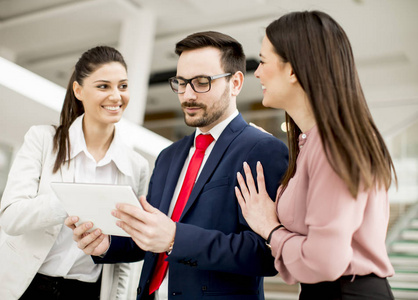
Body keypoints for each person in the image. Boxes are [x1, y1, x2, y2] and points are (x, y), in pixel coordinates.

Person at [67, 31, 289, 300]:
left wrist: (175, 238)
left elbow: (265, 255)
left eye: (201, 83)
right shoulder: (168, 156)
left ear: (236, 83)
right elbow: (151, 237)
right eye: (181, 83)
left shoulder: (262, 149)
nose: (187, 95)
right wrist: (107, 245)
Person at [235, 11, 396, 300]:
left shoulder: (334, 143)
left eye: (262, 61)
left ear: (293, 69)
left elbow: (324, 261)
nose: (256, 73)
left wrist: (270, 229)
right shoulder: (315, 142)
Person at [0, 46, 149, 300]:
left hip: (85, 292)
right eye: (103, 86)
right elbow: (10, 217)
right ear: (79, 91)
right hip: (21, 287)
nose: (116, 96)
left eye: (122, 86)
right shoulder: (42, 140)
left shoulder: (137, 166)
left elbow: (127, 251)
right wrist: (70, 198)